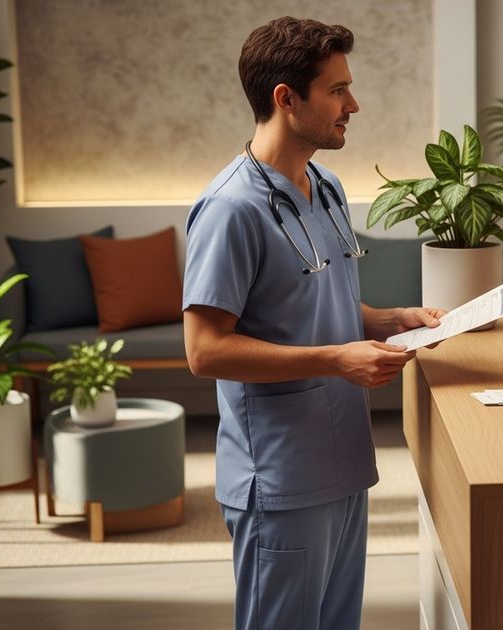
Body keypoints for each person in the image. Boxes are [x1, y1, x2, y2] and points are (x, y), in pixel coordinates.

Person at [182, 18, 444, 630]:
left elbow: (307, 302)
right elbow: (205, 351)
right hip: (280, 477)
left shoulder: (323, 184)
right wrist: (335, 360)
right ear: (286, 98)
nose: (353, 105)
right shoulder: (230, 210)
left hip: (342, 464)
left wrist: (387, 320)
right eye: (337, 90)